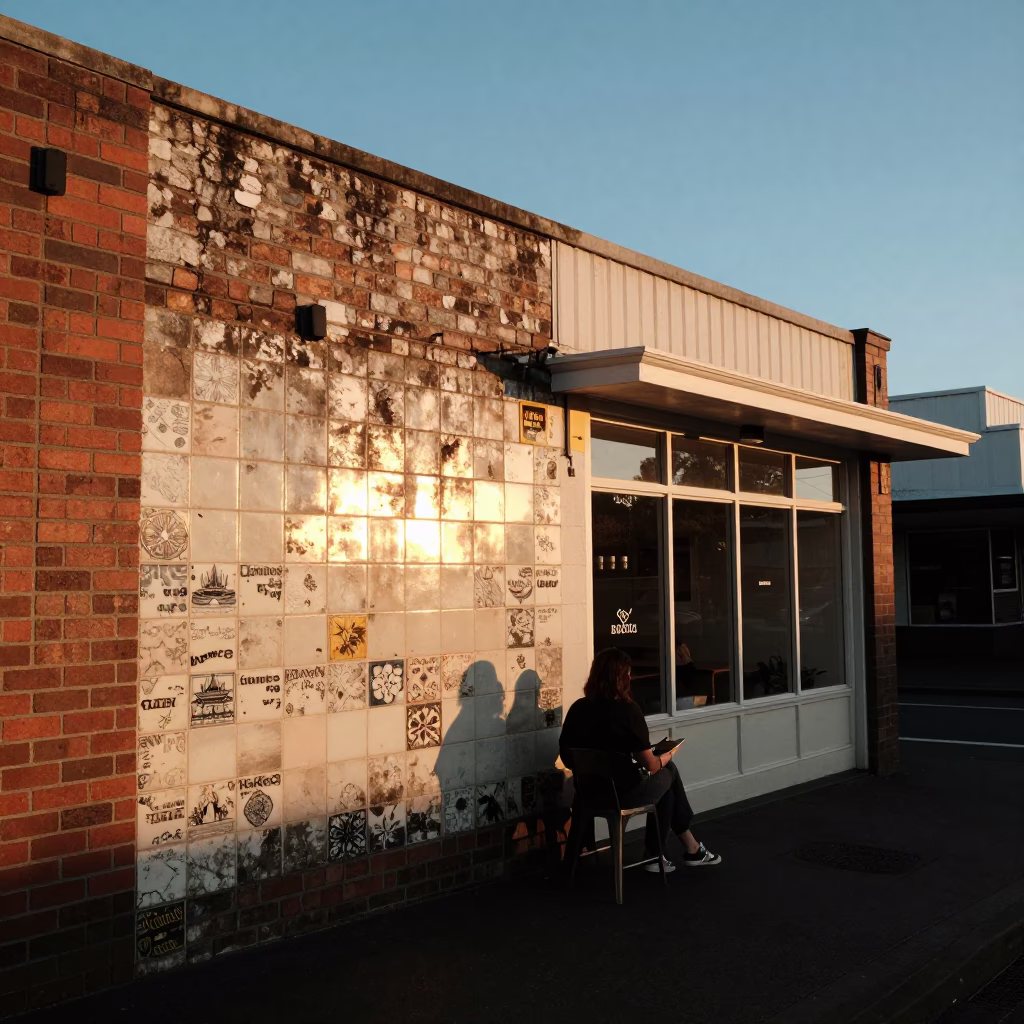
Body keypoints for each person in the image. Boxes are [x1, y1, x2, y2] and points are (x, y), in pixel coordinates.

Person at [560, 647, 720, 872]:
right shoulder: (628, 711)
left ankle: (681, 850)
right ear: (623, 677)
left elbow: (567, 758)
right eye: (628, 674)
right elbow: (651, 764)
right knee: (668, 773)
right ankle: (673, 850)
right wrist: (666, 756)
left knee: (665, 784)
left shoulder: (578, 709)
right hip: (623, 794)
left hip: (588, 793)